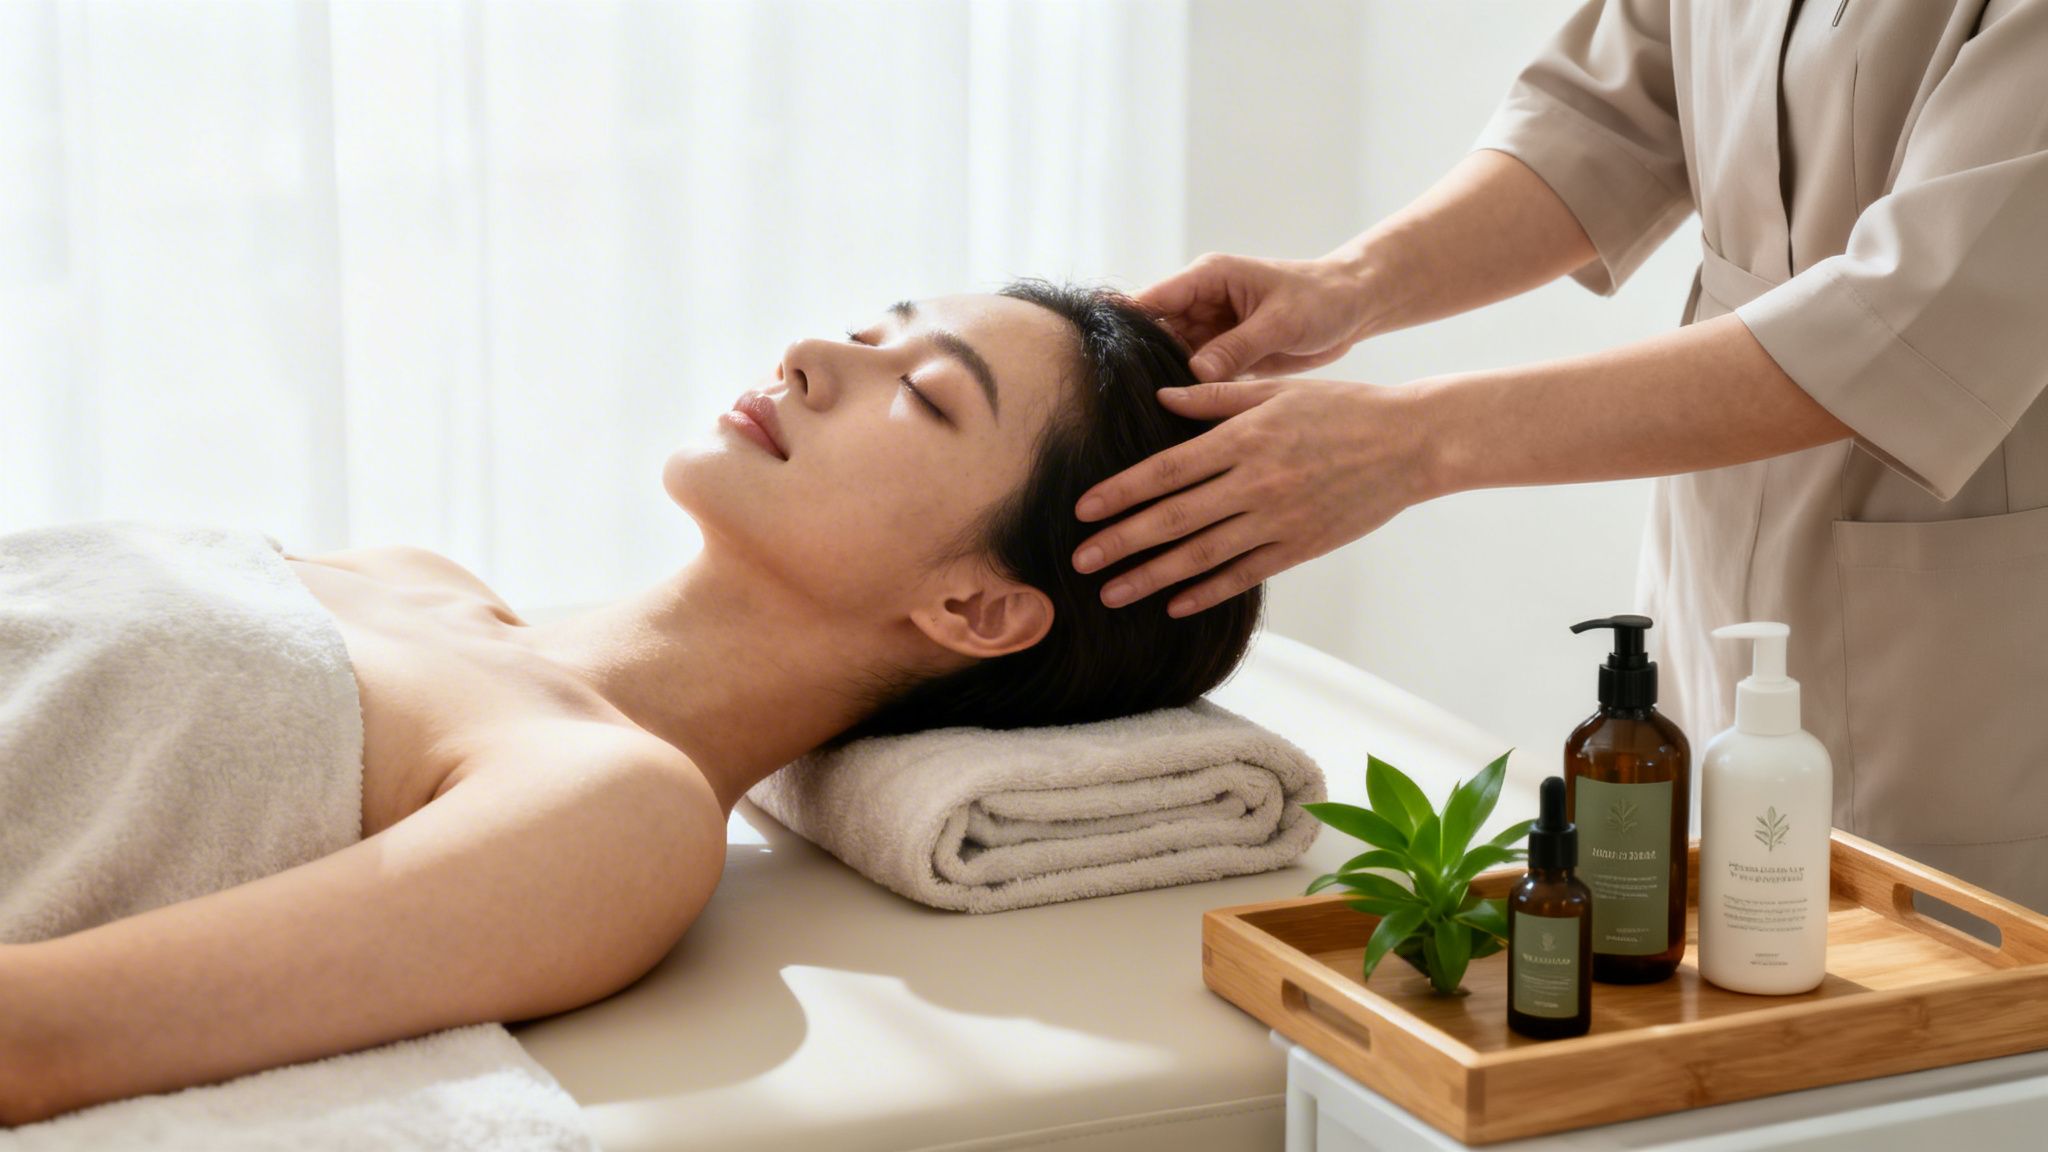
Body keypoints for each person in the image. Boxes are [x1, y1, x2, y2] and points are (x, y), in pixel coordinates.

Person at [0, 280, 1263, 1124]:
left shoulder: (613, 812)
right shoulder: (417, 579)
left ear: (975, 611)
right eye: (874, 333)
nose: (816, 357)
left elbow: (41, 1037)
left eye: (925, 395)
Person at [1070, 0, 2048, 912]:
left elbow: (1902, 324)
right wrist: (1349, 283)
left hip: (1955, 629)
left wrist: (1409, 442)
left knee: (1929, 997)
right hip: (1719, 541)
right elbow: (1608, 118)